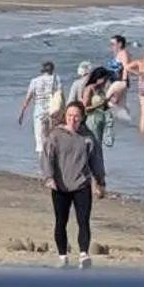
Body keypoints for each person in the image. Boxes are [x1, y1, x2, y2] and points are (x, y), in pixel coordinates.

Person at [40, 102, 107, 269]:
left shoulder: (88, 138)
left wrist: (100, 182)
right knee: (60, 222)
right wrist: (49, 178)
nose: (73, 119)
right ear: (65, 116)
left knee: (83, 220)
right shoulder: (55, 135)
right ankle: (63, 256)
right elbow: (47, 157)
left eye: (76, 116)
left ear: (82, 117)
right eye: (70, 115)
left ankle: (84, 254)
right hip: (60, 186)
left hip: (81, 185)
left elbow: (96, 161)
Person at [19, 61, 62, 156]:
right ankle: (52, 160)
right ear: (52, 69)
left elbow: (27, 99)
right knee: (52, 137)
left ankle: (42, 163)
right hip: (53, 111)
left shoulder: (35, 81)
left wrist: (22, 114)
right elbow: (60, 95)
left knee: (40, 138)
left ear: (42, 70)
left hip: (39, 111)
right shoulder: (56, 79)